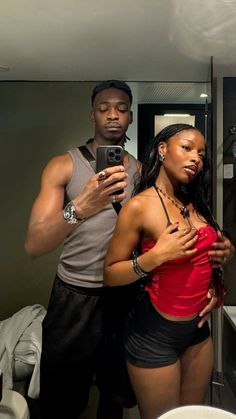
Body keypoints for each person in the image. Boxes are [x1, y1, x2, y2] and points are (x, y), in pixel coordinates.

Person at [24, 82, 233, 419]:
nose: (112, 114)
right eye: (104, 107)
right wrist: (79, 207)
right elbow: (35, 244)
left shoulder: (142, 174)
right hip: (76, 294)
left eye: (121, 108)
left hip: (127, 296)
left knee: (117, 396)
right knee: (62, 396)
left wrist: (212, 262)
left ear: (131, 117)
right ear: (91, 114)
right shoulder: (63, 165)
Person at [104, 123, 234, 419]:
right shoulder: (139, 206)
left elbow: (204, 257)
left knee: (190, 415)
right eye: (187, 148)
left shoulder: (196, 203)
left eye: (201, 154)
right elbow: (110, 274)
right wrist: (156, 256)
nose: (196, 159)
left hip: (198, 334)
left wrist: (223, 260)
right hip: (154, 334)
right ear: (162, 150)